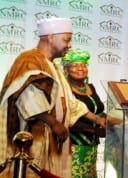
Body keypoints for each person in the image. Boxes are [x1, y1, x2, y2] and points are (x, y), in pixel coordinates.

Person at [0, 17, 104, 178]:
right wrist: (54, 123)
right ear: (50, 37)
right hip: (33, 138)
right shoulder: (30, 59)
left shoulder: (52, 65)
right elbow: (27, 99)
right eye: (66, 40)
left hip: (51, 140)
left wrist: (98, 120)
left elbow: (71, 102)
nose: (69, 45)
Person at [62, 49, 106, 178]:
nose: (80, 68)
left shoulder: (91, 87)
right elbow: (67, 118)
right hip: (73, 145)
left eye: (83, 65)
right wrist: (94, 130)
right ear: (66, 69)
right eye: (75, 65)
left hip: (92, 146)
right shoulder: (65, 89)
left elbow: (97, 111)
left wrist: (112, 120)